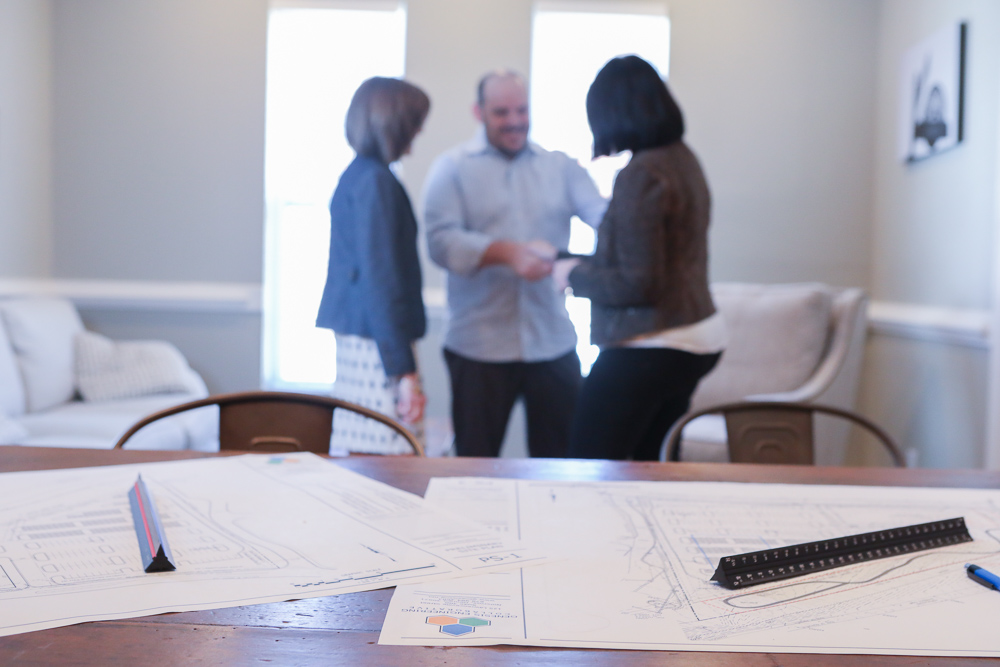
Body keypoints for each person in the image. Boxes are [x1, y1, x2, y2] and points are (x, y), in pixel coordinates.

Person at [424, 70, 606, 458]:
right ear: (479, 112)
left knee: (561, 464)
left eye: (522, 110)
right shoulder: (452, 167)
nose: (514, 121)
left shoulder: (561, 167)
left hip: (552, 341)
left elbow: (608, 221)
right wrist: (508, 254)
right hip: (478, 348)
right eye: (501, 112)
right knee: (474, 466)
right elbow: (440, 242)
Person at [556, 56, 725, 461]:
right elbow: (650, 260)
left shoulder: (642, 173)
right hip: (697, 336)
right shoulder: (682, 159)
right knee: (652, 471)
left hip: (654, 342)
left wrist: (571, 276)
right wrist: (568, 259)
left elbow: (638, 283)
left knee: (586, 468)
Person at [316, 77, 430, 454]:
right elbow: (381, 281)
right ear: (394, 123)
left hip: (366, 335)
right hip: (377, 340)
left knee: (366, 453)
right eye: (415, 121)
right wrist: (404, 372)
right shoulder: (376, 182)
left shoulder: (358, 176)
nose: (419, 129)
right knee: (391, 454)